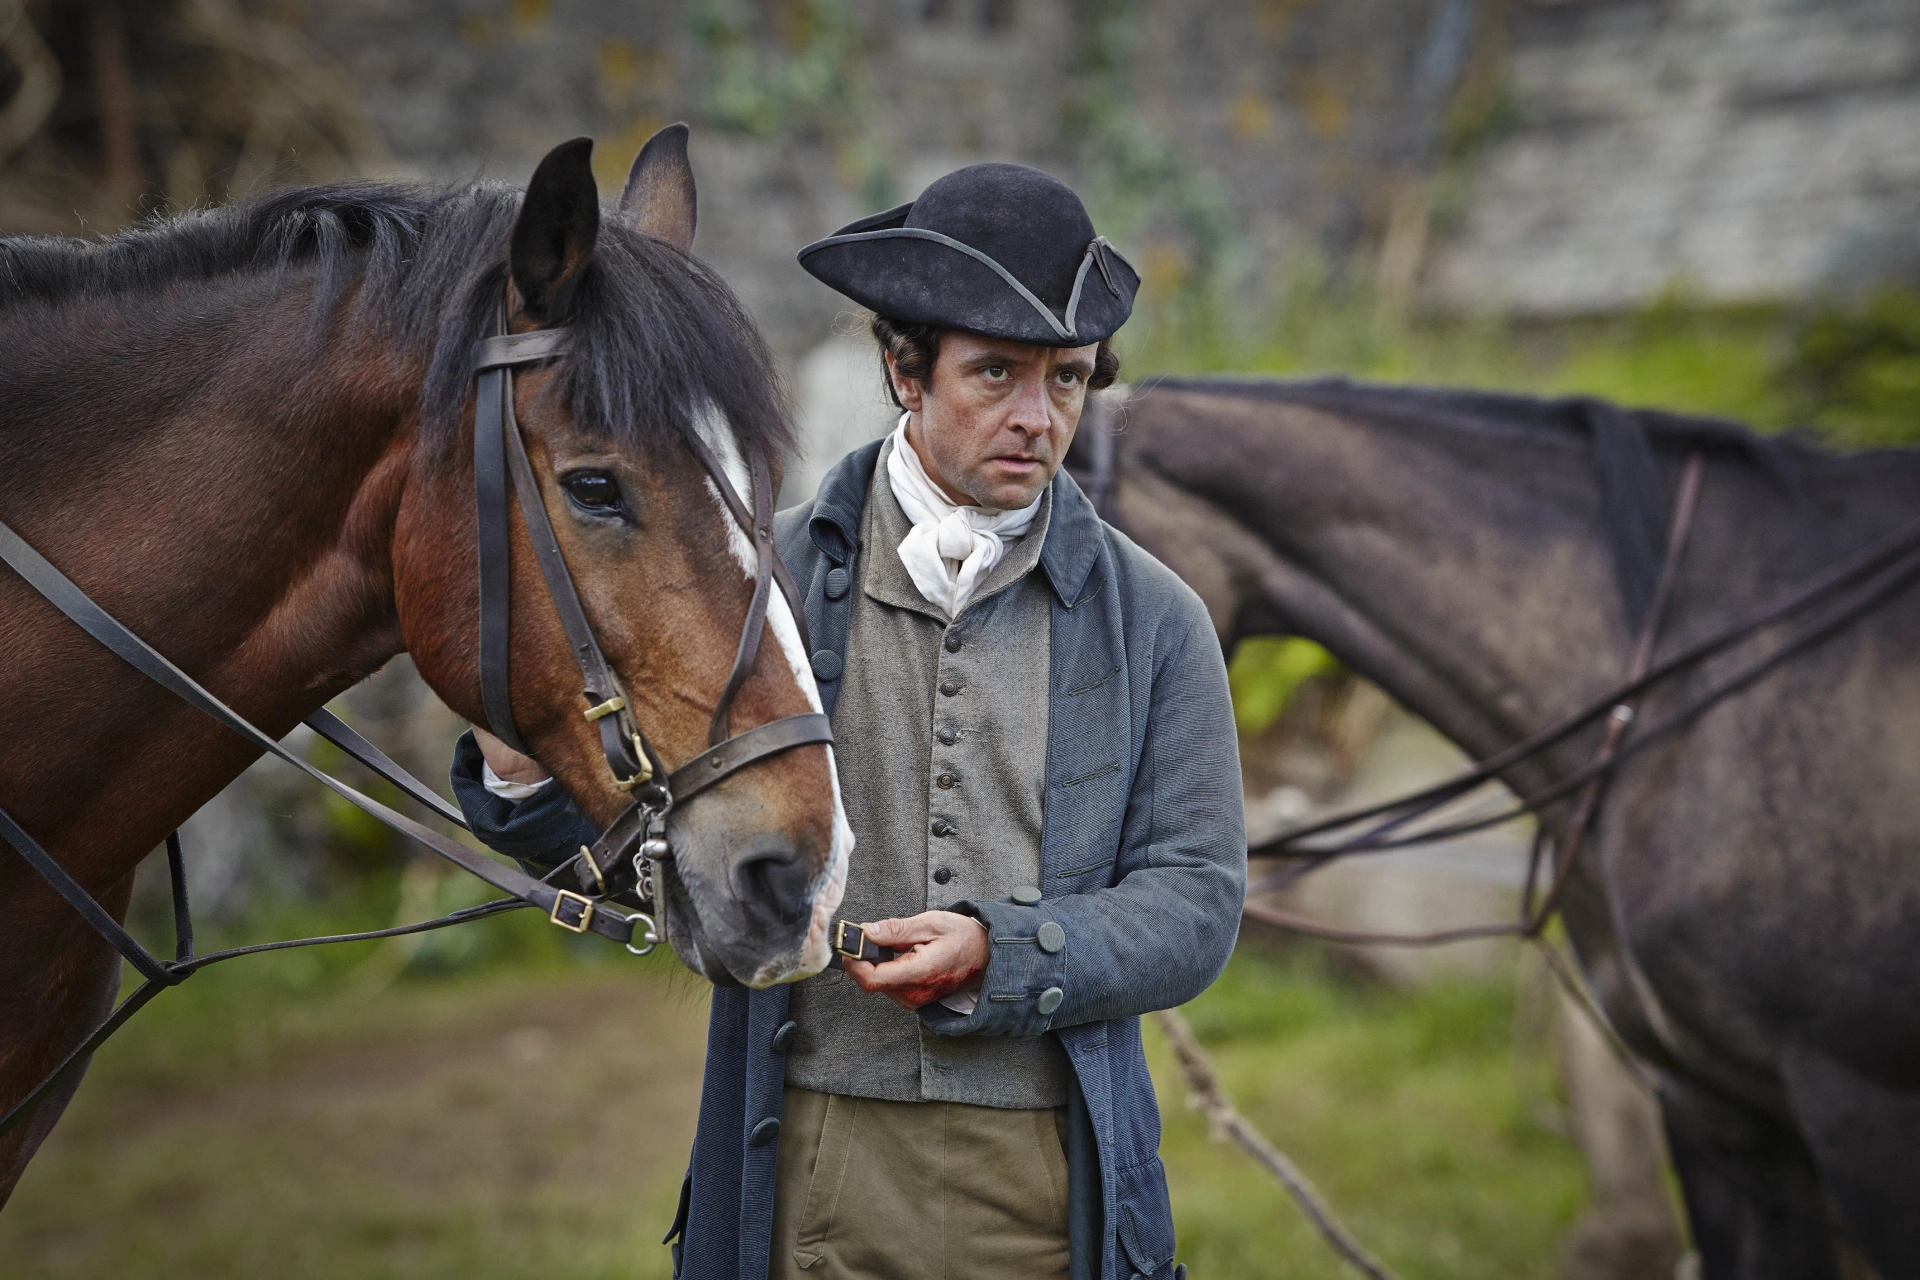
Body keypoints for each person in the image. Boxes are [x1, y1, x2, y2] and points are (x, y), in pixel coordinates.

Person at [450, 162, 1245, 1280]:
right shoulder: (754, 579)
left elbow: (1198, 902)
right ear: (902, 370)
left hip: (1049, 1182)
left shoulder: (1157, 619)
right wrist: (527, 781)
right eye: (995, 372)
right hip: (801, 1172)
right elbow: (648, 855)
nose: (1037, 416)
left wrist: (1003, 951)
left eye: (1067, 379)